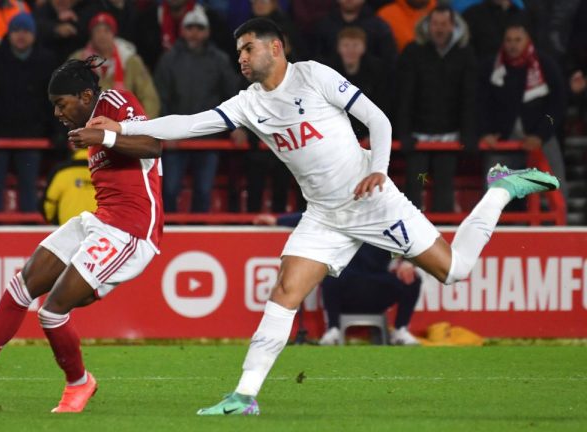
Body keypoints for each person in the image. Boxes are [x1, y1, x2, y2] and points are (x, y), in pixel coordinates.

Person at [87, 17, 560, 415]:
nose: (242, 58)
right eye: (238, 52)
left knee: (454, 270)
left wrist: (378, 170)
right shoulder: (249, 103)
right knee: (284, 291)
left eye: (248, 48)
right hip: (325, 216)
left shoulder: (314, 75)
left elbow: (379, 121)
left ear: (276, 47)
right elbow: (187, 125)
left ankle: (498, 191)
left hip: (373, 200)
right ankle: (244, 396)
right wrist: (119, 132)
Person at [0, 56, 163, 413]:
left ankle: (79, 383)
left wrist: (103, 136)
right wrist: (98, 136)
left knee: (52, 311)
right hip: (99, 221)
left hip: (132, 231)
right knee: (21, 285)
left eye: (62, 104)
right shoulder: (88, 123)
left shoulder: (118, 102)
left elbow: (153, 145)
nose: (58, 113)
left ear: (85, 95)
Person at [255, 212, 421, 346]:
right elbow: (310, 218)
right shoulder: (341, 215)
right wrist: (277, 220)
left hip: (377, 285)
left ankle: (400, 330)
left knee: (413, 278)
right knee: (329, 274)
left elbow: (412, 241)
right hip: (347, 284)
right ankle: (333, 330)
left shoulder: (387, 219)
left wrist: (407, 262)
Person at [153, 7, 240, 213]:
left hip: (208, 135)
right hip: (177, 136)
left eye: (199, 28)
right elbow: (160, 97)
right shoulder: (169, 59)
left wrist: (236, 126)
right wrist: (165, 131)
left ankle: (201, 232)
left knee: (203, 190)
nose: (194, 32)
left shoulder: (219, 60)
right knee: (171, 189)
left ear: (207, 31)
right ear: (182, 31)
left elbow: (233, 95)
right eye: (190, 27)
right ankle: (168, 235)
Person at [477, 22, 568, 202]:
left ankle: (556, 230)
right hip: (502, 140)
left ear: (528, 41)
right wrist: (485, 132)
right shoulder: (490, 67)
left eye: (518, 40)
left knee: (556, 189)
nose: (513, 45)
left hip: (542, 139)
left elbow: (557, 105)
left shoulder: (545, 64)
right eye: (509, 40)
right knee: (492, 193)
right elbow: (480, 103)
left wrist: (541, 135)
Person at [396, 5, 476, 212]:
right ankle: (411, 238)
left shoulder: (465, 54)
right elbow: (404, 96)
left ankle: (444, 236)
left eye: (444, 24)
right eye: (435, 24)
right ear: (428, 26)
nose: (439, 29)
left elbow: (469, 97)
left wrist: (468, 134)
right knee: (414, 184)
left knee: (444, 186)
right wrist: (403, 133)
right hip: (417, 136)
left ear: (452, 26)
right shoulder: (413, 52)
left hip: (449, 137)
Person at [0, 12, 60, 213]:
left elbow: (52, 100)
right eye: (16, 31)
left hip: (32, 136)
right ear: (9, 34)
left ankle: (29, 233)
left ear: (33, 34)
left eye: (26, 31)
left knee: (29, 186)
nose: (21, 35)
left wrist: (54, 130)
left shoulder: (47, 60)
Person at [71, 12, 159, 118]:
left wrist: (143, 125)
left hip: (127, 125)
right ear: (91, 35)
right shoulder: (78, 60)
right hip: (88, 124)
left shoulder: (130, 60)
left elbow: (149, 96)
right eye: (97, 31)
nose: (102, 35)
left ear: (114, 34)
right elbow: (66, 95)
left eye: (106, 31)